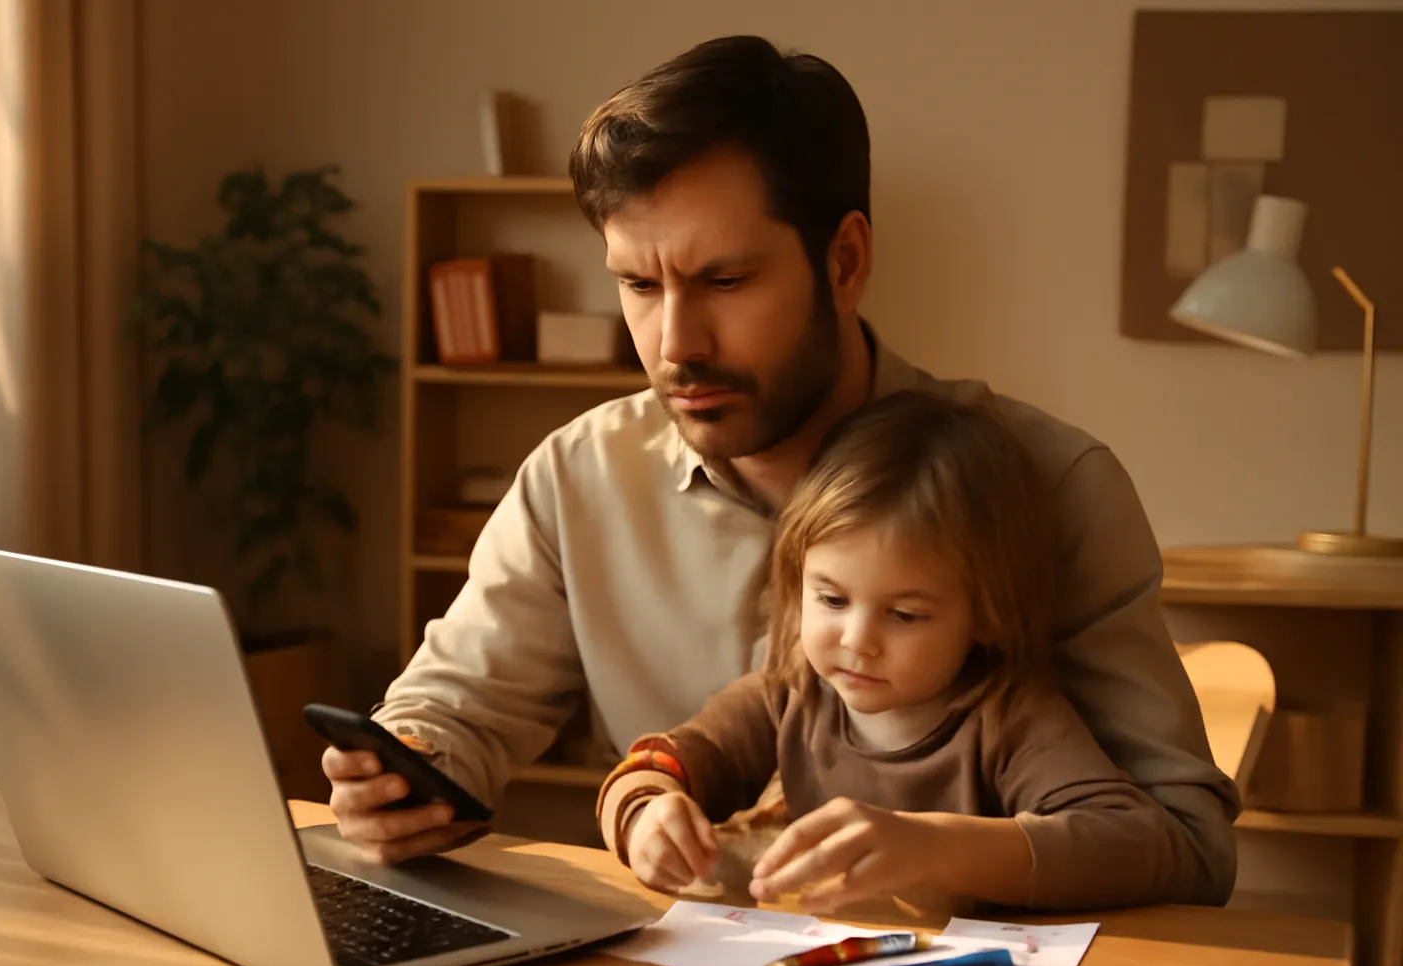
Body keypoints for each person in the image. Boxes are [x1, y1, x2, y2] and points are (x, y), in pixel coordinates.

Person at [323, 34, 1238, 901]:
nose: (674, 342)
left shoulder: (1053, 484)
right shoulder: (579, 477)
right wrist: (405, 772)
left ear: (844, 261)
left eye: (723, 282)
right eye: (638, 285)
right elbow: (455, 714)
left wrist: (951, 855)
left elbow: (1189, 850)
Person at [600, 390, 1201, 912]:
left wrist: (935, 848)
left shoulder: (1008, 720)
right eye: (832, 600)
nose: (857, 641)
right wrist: (645, 815)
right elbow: (662, 764)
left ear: (986, 615)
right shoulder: (790, 694)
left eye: (905, 614)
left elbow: (1144, 845)